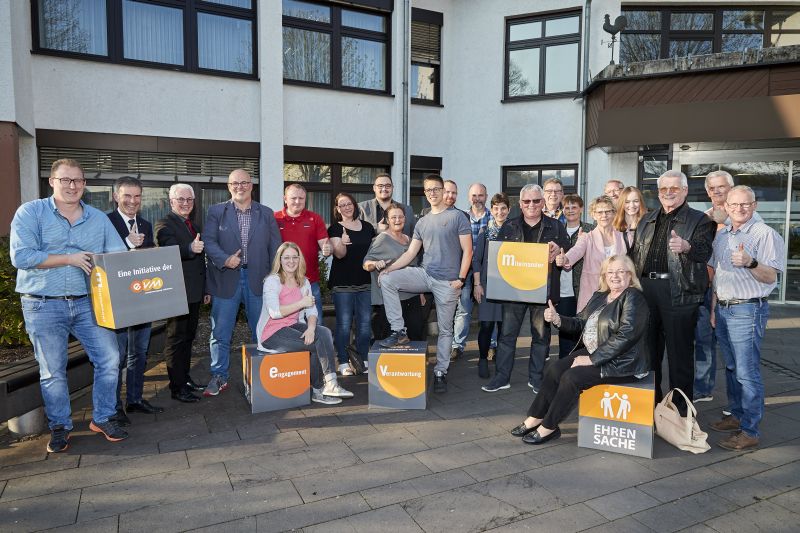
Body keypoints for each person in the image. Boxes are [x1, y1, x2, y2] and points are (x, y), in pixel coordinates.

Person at [10, 158, 129, 451]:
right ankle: (60, 426)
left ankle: (102, 417)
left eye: (77, 180)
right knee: (52, 370)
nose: (72, 186)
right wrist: (69, 259)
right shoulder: (31, 213)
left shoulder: (98, 218)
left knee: (110, 359)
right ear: (52, 182)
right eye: (65, 180)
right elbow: (22, 257)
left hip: (88, 303)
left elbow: (117, 255)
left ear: (85, 185)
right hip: (43, 305)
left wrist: (136, 254)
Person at [509, 255, 649, 444]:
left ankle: (549, 427)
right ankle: (535, 417)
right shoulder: (600, 296)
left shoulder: (633, 297)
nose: (614, 276)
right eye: (610, 272)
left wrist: (592, 359)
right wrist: (558, 319)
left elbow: (626, 335)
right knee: (555, 369)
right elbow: (580, 322)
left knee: (571, 378)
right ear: (604, 276)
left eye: (620, 271)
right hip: (597, 351)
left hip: (623, 362)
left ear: (630, 275)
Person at [377, 175, 473, 393]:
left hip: (448, 282)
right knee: (388, 280)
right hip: (424, 274)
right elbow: (411, 252)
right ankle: (398, 330)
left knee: (445, 329)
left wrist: (461, 278)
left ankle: (440, 371)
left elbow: (468, 250)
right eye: (428, 190)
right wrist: (389, 269)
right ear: (426, 192)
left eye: (436, 189)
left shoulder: (458, 217)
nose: (432, 193)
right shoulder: (422, 221)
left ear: (443, 190)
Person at [631, 170, 715, 413]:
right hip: (646, 290)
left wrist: (686, 246)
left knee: (679, 357)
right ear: (658, 193)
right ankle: (652, 407)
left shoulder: (700, 220)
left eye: (674, 189)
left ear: (685, 191)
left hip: (679, 292)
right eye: (663, 189)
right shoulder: (646, 219)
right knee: (648, 354)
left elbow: (703, 251)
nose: (668, 193)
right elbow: (634, 254)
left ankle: (679, 411)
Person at [708, 186, 784, 451]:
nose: (740, 209)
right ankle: (737, 415)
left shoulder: (765, 235)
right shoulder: (722, 236)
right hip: (725, 309)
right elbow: (718, 273)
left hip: (748, 310)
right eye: (734, 205)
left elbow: (771, 276)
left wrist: (751, 262)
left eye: (745, 204)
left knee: (746, 372)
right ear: (726, 207)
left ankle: (750, 430)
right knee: (731, 367)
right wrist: (714, 307)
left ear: (754, 206)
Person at [482, 184, 570, 393]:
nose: (532, 205)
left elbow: (567, 250)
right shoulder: (509, 226)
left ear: (542, 202)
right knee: (507, 336)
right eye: (527, 201)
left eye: (536, 200)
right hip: (514, 291)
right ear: (520, 204)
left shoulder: (556, 226)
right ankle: (502, 377)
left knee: (540, 336)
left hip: (543, 290)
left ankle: (537, 378)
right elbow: (498, 257)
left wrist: (559, 250)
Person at [202, 169, 281, 397]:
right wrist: (225, 259)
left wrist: (276, 278)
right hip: (226, 279)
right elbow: (209, 240)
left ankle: (264, 372)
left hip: (259, 279)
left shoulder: (265, 213)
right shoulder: (216, 211)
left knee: (262, 329)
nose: (240, 187)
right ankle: (219, 376)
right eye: (235, 183)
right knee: (220, 332)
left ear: (251, 186)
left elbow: (275, 247)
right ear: (229, 186)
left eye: (244, 183)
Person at [255, 242, 353, 402]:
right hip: (271, 333)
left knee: (324, 332)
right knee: (316, 345)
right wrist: (302, 303)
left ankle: (329, 384)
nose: (291, 261)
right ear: (279, 260)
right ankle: (321, 388)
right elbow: (275, 313)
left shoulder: (303, 281)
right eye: (286, 257)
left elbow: (312, 311)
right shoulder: (272, 281)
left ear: (299, 259)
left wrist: (311, 328)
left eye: (295, 257)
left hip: (293, 326)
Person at [107, 176, 163, 423]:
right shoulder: (104, 222)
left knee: (139, 352)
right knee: (116, 356)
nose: (132, 201)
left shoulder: (145, 224)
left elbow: (146, 261)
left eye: (137, 196)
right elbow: (99, 257)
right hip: (116, 301)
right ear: (116, 196)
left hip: (140, 298)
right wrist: (128, 244)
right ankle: (113, 407)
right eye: (127, 196)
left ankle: (135, 399)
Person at [155, 184, 209, 404]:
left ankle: (184, 379)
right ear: (171, 201)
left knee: (188, 339)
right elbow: (167, 251)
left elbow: (199, 262)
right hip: (177, 294)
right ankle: (177, 388)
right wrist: (189, 249)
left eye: (189, 200)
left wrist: (205, 288)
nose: (185, 203)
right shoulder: (164, 224)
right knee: (176, 340)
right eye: (181, 199)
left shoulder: (192, 225)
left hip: (194, 293)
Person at [693, 170, 734, 403]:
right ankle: (703, 388)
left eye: (722, 186)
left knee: (733, 350)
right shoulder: (704, 218)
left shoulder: (740, 215)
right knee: (703, 340)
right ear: (707, 191)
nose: (717, 191)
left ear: (731, 187)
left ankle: (738, 405)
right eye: (712, 188)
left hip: (730, 291)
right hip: (705, 288)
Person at [363, 203, 426, 342]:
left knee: (416, 335)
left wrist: (421, 292)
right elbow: (366, 263)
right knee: (390, 339)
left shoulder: (410, 240)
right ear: (387, 219)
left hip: (412, 296)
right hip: (392, 300)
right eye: (393, 217)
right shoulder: (382, 239)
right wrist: (375, 264)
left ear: (405, 218)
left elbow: (415, 266)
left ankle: (413, 365)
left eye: (400, 217)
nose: (397, 220)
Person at [328, 192, 375, 375]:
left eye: (349, 203)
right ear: (337, 209)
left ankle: (362, 359)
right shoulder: (335, 229)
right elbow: (339, 255)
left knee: (364, 325)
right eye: (342, 205)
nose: (346, 207)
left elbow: (374, 251)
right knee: (344, 324)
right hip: (343, 284)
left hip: (365, 282)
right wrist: (342, 244)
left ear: (354, 205)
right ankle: (343, 360)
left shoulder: (368, 227)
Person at [557, 196, 627, 312]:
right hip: (593, 295)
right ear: (593, 215)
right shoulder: (586, 237)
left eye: (607, 211)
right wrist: (565, 258)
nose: (603, 215)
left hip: (619, 294)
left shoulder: (624, 237)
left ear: (614, 213)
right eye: (599, 212)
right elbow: (577, 250)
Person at [275, 184, 332, 318]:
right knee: (286, 323)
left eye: (301, 198)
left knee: (316, 322)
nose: (297, 201)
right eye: (293, 198)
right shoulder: (275, 218)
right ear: (285, 199)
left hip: (309, 281)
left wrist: (327, 248)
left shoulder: (315, 218)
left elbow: (325, 244)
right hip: (282, 282)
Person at [451, 182, 492, 361]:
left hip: (489, 272)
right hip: (465, 270)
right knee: (464, 309)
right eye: (474, 196)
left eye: (480, 195)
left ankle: (493, 345)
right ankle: (458, 346)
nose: (477, 199)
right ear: (469, 198)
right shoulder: (461, 217)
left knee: (491, 310)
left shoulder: (493, 218)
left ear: (486, 197)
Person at [472, 192, 510, 378]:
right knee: (486, 325)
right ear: (492, 210)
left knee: (505, 327)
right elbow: (476, 260)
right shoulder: (485, 231)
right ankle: (482, 359)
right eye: (496, 208)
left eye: (503, 208)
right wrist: (477, 284)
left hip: (508, 286)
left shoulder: (514, 231)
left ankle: (502, 362)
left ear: (508, 210)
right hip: (487, 285)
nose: (500, 211)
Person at [557, 194, 594, 358]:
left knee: (585, 328)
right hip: (564, 290)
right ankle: (564, 364)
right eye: (567, 208)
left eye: (574, 207)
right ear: (562, 210)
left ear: (581, 209)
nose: (570, 211)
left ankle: (582, 363)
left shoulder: (590, 230)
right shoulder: (557, 229)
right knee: (565, 329)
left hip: (585, 288)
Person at [358, 173, 415, 237]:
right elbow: (355, 232)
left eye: (388, 186)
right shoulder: (361, 208)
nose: (384, 189)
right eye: (380, 186)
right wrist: (376, 228)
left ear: (392, 187)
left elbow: (414, 236)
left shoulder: (408, 210)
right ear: (374, 188)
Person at [612, 186, 647, 253]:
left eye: (636, 201)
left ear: (641, 202)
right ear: (622, 203)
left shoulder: (648, 225)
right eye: (627, 202)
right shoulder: (613, 226)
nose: (632, 205)